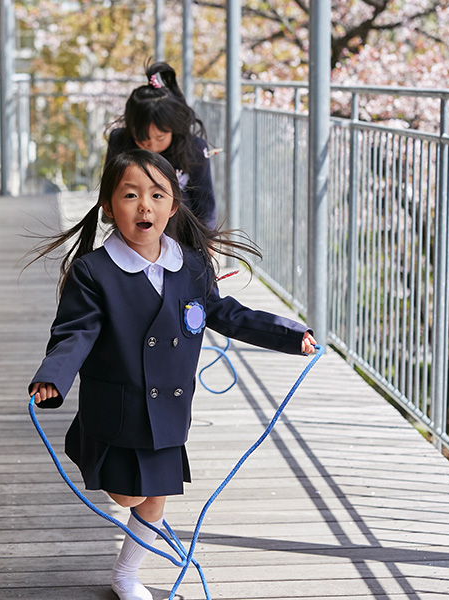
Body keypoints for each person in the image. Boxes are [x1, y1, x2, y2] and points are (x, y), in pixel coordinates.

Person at [28, 149, 316, 600]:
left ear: (173, 206)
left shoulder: (193, 266)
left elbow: (226, 313)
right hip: (118, 410)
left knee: (155, 498)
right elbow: (75, 333)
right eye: (130, 195)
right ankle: (86, 448)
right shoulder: (93, 272)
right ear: (108, 207)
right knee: (128, 496)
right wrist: (53, 376)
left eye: (157, 195)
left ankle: (126, 576)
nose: (145, 205)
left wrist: (289, 335)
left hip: (167, 411)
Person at [106, 61, 218, 230]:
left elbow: (204, 202)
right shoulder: (120, 140)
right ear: (131, 127)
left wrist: (207, 238)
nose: (151, 145)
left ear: (173, 128)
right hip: (134, 228)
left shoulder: (193, 148)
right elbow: (110, 190)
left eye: (160, 137)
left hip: (181, 230)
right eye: (142, 138)